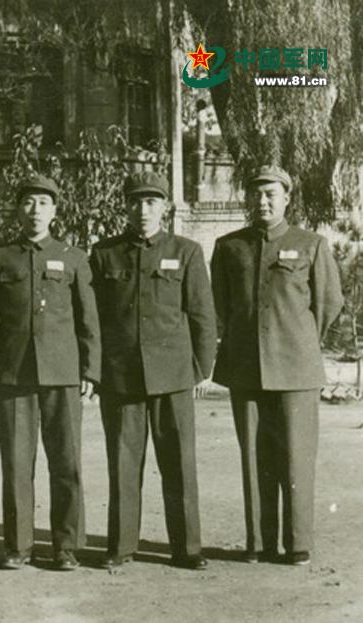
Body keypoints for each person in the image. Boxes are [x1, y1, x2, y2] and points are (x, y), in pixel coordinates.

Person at [210, 165, 343, 566]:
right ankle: (259, 542)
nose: (263, 201)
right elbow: (221, 304)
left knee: (296, 458)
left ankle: (298, 542)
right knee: (254, 459)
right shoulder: (229, 246)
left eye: (271, 194)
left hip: (296, 369)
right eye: (256, 194)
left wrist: (297, 339)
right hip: (246, 368)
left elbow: (328, 303)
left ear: (287, 198)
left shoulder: (311, 244)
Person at [90, 171, 217, 572]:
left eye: (150, 202)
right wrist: (95, 371)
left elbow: (202, 314)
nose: (142, 210)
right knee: (123, 464)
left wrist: (201, 369)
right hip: (121, 376)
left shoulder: (187, 251)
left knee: (179, 464)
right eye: (134, 201)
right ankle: (121, 546)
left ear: (165, 207)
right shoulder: (104, 254)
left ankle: (187, 548)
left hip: (173, 375)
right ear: (124, 206)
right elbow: (93, 319)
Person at [0, 175, 101, 571]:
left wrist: (90, 370)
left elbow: (88, 320)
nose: (35, 211)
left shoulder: (73, 257)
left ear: (55, 210)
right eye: (28, 203)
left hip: (63, 374)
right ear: (18, 209)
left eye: (43, 203)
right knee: (16, 464)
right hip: (13, 375)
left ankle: (66, 546)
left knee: (66, 463)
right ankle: (18, 546)